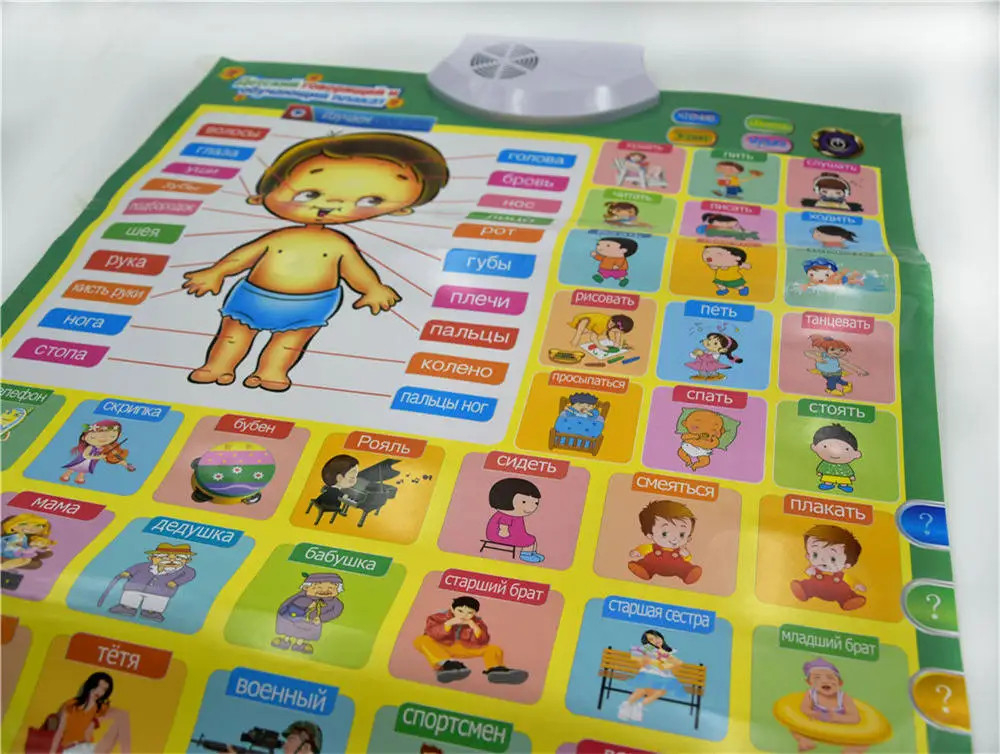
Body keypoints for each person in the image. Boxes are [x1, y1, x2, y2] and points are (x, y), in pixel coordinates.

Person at [183, 133, 449, 392]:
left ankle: (271, 371)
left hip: (310, 305)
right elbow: (244, 256)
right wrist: (216, 272)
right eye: (308, 194)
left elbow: (354, 269)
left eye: (370, 201)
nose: (332, 204)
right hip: (253, 297)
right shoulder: (279, 237)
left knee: (290, 342)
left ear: (401, 210)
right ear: (260, 197)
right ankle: (218, 366)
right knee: (233, 334)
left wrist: (372, 288)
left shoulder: (338, 244)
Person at [413, 596, 528, 685]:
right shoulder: (437, 617)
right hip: (442, 647)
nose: (464, 615)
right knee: (421, 640)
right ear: (452, 609)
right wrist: (448, 624)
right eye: (460, 611)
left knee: (493, 649)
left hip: (465, 648)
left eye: (470, 613)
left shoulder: (477, 622)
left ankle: (496, 671)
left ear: (474, 613)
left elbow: (483, 641)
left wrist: (474, 627)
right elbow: (432, 633)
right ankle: (447, 667)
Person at [791, 659, 868, 753]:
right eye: (817, 678)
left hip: (840, 731)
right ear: (809, 682)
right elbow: (804, 708)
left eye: (830, 677)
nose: (824, 681)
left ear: (840, 683)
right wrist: (812, 713)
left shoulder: (843, 697)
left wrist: (838, 718)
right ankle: (805, 741)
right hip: (816, 727)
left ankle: (851, 751)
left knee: (864, 740)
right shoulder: (811, 694)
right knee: (794, 727)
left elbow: (855, 718)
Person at [107, 543, 196, 622]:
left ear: (187, 561)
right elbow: (135, 568)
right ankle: (127, 608)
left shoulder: (186, 570)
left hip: (162, 591)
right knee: (131, 596)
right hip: (136, 586)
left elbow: (189, 575)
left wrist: (176, 582)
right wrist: (128, 572)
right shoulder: (144, 566)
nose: (171, 560)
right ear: (152, 558)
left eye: (178, 558)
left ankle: (151, 612)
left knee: (156, 601)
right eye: (164, 557)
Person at [48, 672, 130, 754]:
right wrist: (52, 751)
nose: (100, 691)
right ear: (91, 684)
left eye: (104, 690)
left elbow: (123, 715)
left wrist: (95, 721)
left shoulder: (100, 708)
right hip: (69, 748)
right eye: (98, 686)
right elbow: (59, 732)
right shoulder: (71, 705)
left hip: (86, 747)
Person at [791, 525, 867, 611]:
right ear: (808, 555)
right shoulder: (815, 570)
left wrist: (857, 585)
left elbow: (851, 580)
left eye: (833, 559)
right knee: (809, 584)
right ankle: (803, 589)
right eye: (815, 555)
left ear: (846, 564)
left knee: (845, 593)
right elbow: (808, 571)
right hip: (816, 589)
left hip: (837, 593)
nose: (822, 560)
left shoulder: (843, 576)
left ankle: (849, 600)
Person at [617, 630, 687, 722]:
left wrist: (666, 662)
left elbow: (678, 663)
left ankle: (637, 706)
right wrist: (653, 660)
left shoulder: (667, 651)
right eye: (651, 639)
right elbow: (639, 659)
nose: (655, 640)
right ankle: (628, 705)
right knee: (646, 686)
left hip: (663, 676)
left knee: (660, 690)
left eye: (656, 637)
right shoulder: (647, 649)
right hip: (649, 673)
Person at [627, 499, 702, 584]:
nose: (674, 539)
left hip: (676, 567)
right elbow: (643, 549)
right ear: (650, 535)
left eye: (681, 535)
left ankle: (688, 573)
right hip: (653, 565)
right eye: (665, 534)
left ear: (688, 538)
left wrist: (686, 555)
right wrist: (637, 552)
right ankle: (643, 569)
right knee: (647, 563)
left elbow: (687, 559)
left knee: (684, 567)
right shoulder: (652, 547)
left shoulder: (680, 550)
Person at [273, 572, 345, 653]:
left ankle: (299, 644)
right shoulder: (302, 595)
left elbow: (336, 611)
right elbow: (290, 600)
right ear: (306, 587)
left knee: (304, 632)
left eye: (330, 588)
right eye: (319, 587)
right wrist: (283, 609)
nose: (324, 591)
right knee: (289, 628)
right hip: (293, 615)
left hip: (312, 620)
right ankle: (285, 640)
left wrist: (321, 618)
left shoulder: (334, 602)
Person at [485, 477, 544, 563]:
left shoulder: (517, 516)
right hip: (501, 536)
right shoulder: (506, 516)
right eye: (524, 502)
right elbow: (503, 527)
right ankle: (526, 555)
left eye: (535, 503)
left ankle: (532, 553)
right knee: (529, 541)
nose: (532, 507)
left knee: (532, 539)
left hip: (512, 535)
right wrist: (504, 532)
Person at [60, 420, 135, 485]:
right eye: (93, 437)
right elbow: (85, 456)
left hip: (91, 462)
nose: (103, 439)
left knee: (84, 470)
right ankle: (66, 475)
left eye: (112, 436)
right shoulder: (90, 447)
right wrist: (98, 457)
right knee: (74, 467)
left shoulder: (105, 447)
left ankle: (79, 477)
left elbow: (111, 457)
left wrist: (125, 464)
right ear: (83, 437)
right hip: (83, 460)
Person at [804, 335, 869, 396]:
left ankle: (831, 389)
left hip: (835, 374)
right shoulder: (822, 355)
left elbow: (849, 365)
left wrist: (859, 371)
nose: (837, 352)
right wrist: (816, 358)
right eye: (832, 349)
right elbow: (807, 352)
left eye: (842, 350)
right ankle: (847, 385)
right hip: (825, 373)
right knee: (838, 380)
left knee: (832, 381)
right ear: (826, 349)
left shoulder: (838, 360)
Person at [811, 424, 863, 493]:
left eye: (846, 449)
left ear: (856, 454)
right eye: (825, 446)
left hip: (843, 476)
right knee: (828, 479)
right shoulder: (826, 463)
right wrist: (820, 472)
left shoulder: (844, 466)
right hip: (828, 475)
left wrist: (851, 476)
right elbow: (822, 467)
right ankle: (828, 484)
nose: (835, 453)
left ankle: (843, 485)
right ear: (814, 447)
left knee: (844, 480)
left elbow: (848, 471)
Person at [568, 312, 634, 350]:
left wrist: (616, 343)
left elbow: (618, 332)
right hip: (579, 321)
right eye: (618, 331)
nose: (618, 333)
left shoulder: (612, 323)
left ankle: (587, 330)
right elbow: (593, 338)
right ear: (612, 324)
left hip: (591, 325)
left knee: (593, 330)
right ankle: (576, 338)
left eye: (620, 332)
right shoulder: (602, 325)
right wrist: (600, 346)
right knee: (585, 321)